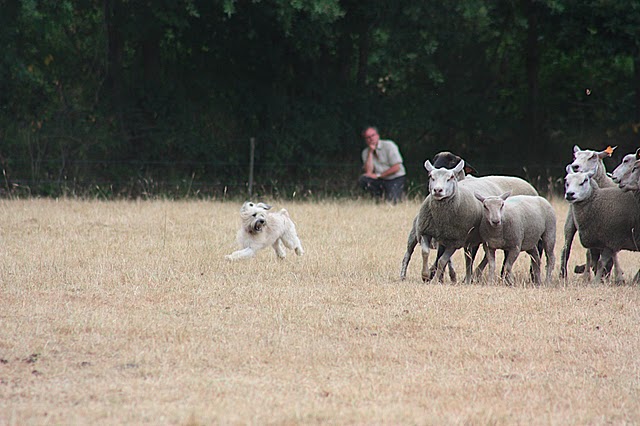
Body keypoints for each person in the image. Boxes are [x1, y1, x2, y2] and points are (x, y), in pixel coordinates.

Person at [358, 126, 406, 203]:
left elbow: (397, 167)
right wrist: (370, 153)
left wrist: (379, 175)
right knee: (363, 179)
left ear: (378, 136)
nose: (371, 139)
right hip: (380, 179)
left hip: (394, 178)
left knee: (392, 202)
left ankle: (396, 194)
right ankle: (377, 197)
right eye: (368, 137)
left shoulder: (389, 146)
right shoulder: (365, 152)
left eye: (373, 135)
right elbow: (368, 172)